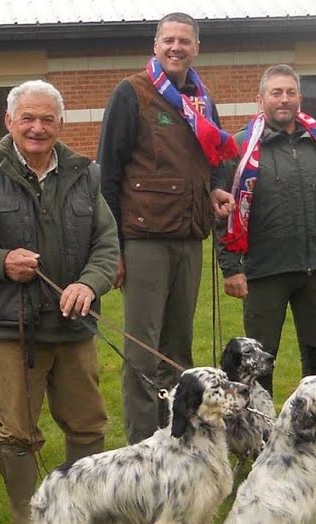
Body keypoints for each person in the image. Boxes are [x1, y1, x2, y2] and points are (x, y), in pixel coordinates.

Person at [0, 80, 119, 524]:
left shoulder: (85, 174)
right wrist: (1, 262)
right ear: (9, 121)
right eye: (28, 118)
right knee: (17, 432)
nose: (37, 128)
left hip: (75, 327)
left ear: (60, 123)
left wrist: (89, 285)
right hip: (12, 329)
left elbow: (107, 244)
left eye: (47, 119)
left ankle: (82, 522)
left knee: (87, 426)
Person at [97, 11, 237, 445]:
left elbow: (216, 156)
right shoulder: (131, 93)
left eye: (185, 41)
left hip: (189, 238)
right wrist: (113, 249)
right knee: (143, 350)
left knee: (178, 350)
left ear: (196, 48)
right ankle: (142, 447)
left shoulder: (202, 98)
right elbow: (108, 174)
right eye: (169, 40)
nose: (176, 47)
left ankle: (175, 439)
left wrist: (217, 187)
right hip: (144, 241)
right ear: (155, 46)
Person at [216, 65, 316, 397]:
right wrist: (231, 268)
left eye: (290, 93)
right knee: (259, 360)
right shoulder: (239, 147)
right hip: (264, 272)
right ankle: (260, 422)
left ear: (300, 98)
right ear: (260, 100)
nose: (284, 99)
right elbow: (222, 212)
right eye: (276, 93)